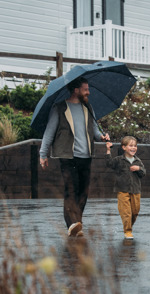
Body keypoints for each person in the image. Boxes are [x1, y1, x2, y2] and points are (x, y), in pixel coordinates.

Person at [39, 77, 110, 237]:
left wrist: (102, 137)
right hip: (68, 156)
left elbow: (95, 131)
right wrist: (43, 154)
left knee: (83, 192)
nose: (88, 92)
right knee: (71, 190)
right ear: (76, 90)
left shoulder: (88, 107)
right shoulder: (59, 108)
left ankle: (77, 223)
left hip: (86, 156)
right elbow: (49, 132)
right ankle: (72, 224)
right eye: (86, 89)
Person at [105, 136, 146, 240]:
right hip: (122, 189)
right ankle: (127, 231)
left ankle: (128, 226)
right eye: (130, 146)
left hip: (136, 190)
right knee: (126, 212)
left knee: (135, 211)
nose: (133, 148)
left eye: (135, 146)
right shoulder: (119, 160)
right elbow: (109, 164)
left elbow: (143, 173)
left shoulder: (138, 161)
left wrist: (139, 169)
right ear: (124, 147)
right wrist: (108, 150)